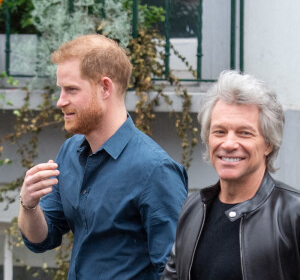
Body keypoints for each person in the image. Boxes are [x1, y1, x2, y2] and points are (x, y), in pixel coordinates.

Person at [18, 34, 188, 280]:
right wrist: (29, 205)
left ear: (105, 87)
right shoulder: (69, 152)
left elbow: (177, 271)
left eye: (71, 90)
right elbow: (43, 238)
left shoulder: (156, 170)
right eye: (60, 90)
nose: (60, 101)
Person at [162, 70, 300, 280]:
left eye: (245, 133)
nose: (228, 144)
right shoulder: (193, 208)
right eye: (219, 131)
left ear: (268, 144)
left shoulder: (293, 214)